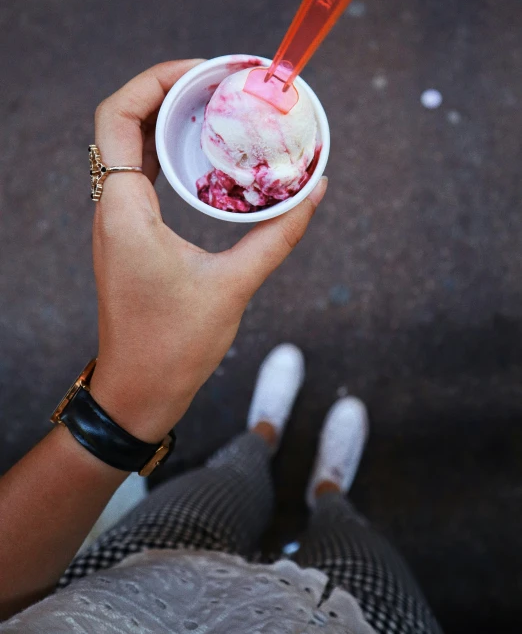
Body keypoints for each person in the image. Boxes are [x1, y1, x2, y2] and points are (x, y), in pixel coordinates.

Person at [0, 61, 442, 633]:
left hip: (138, 587)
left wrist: (124, 410)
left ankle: (261, 437)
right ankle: (329, 493)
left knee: (224, 482)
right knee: (355, 551)